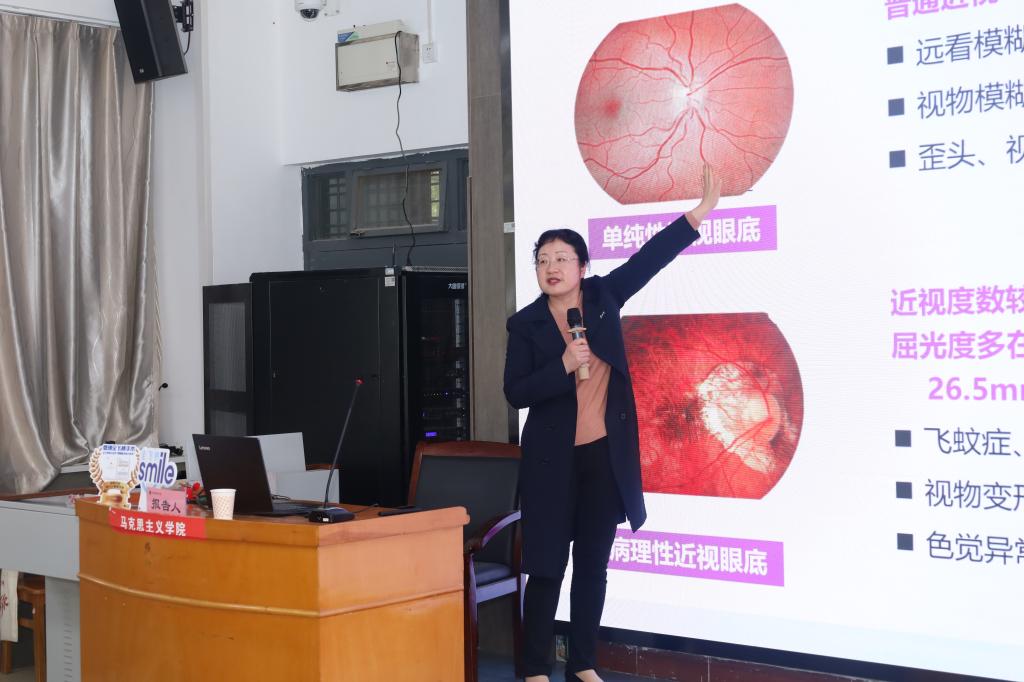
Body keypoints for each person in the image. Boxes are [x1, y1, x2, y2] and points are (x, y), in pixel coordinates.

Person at [503, 165, 722, 682]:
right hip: (551, 463)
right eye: (542, 260)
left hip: (603, 457)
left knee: (592, 567)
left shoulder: (603, 298)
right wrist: (562, 366)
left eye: (562, 258)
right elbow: (515, 392)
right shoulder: (525, 324)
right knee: (546, 568)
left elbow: (649, 259)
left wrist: (697, 215)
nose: (551, 267)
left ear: (582, 266)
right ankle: (534, 668)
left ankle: (582, 663)